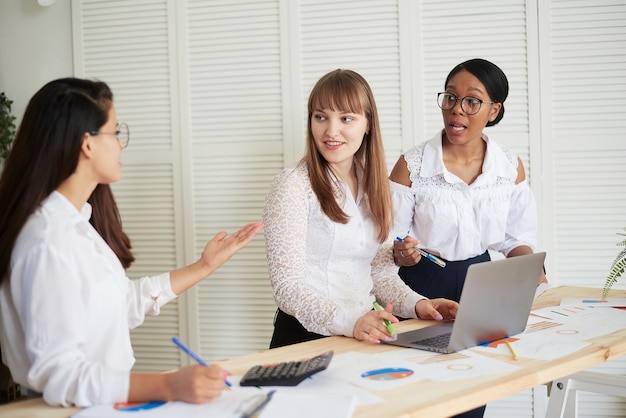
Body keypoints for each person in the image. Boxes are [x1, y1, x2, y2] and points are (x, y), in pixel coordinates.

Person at [0, 77, 264, 407]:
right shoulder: (46, 242)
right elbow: (61, 376)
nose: (121, 144)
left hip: (99, 404)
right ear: (87, 143)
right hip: (65, 408)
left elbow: (119, 305)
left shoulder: (77, 222)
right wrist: (168, 385)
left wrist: (204, 266)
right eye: (114, 132)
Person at [390, 59, 547, 418]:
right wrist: (403, 252)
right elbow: (390, 243)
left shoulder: (509, 166)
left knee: (471, 390)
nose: (457, 109)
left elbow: (516, 237)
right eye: (450, 98)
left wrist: (529, 268)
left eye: (472, 101)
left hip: (483, 283)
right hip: (419, 285)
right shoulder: (412, 165)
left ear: (494, 110)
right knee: (417, 393)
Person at [262, 69, 459, 349]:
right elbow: (288, 288)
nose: (331, 131)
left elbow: (379, 275)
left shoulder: (375, 188)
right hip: (307, 338)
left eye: (346, 118)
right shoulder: (292, 185)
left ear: (368, 123)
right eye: (321, 117)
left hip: (365, 332)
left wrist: (419, 305)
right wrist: (350, 322)